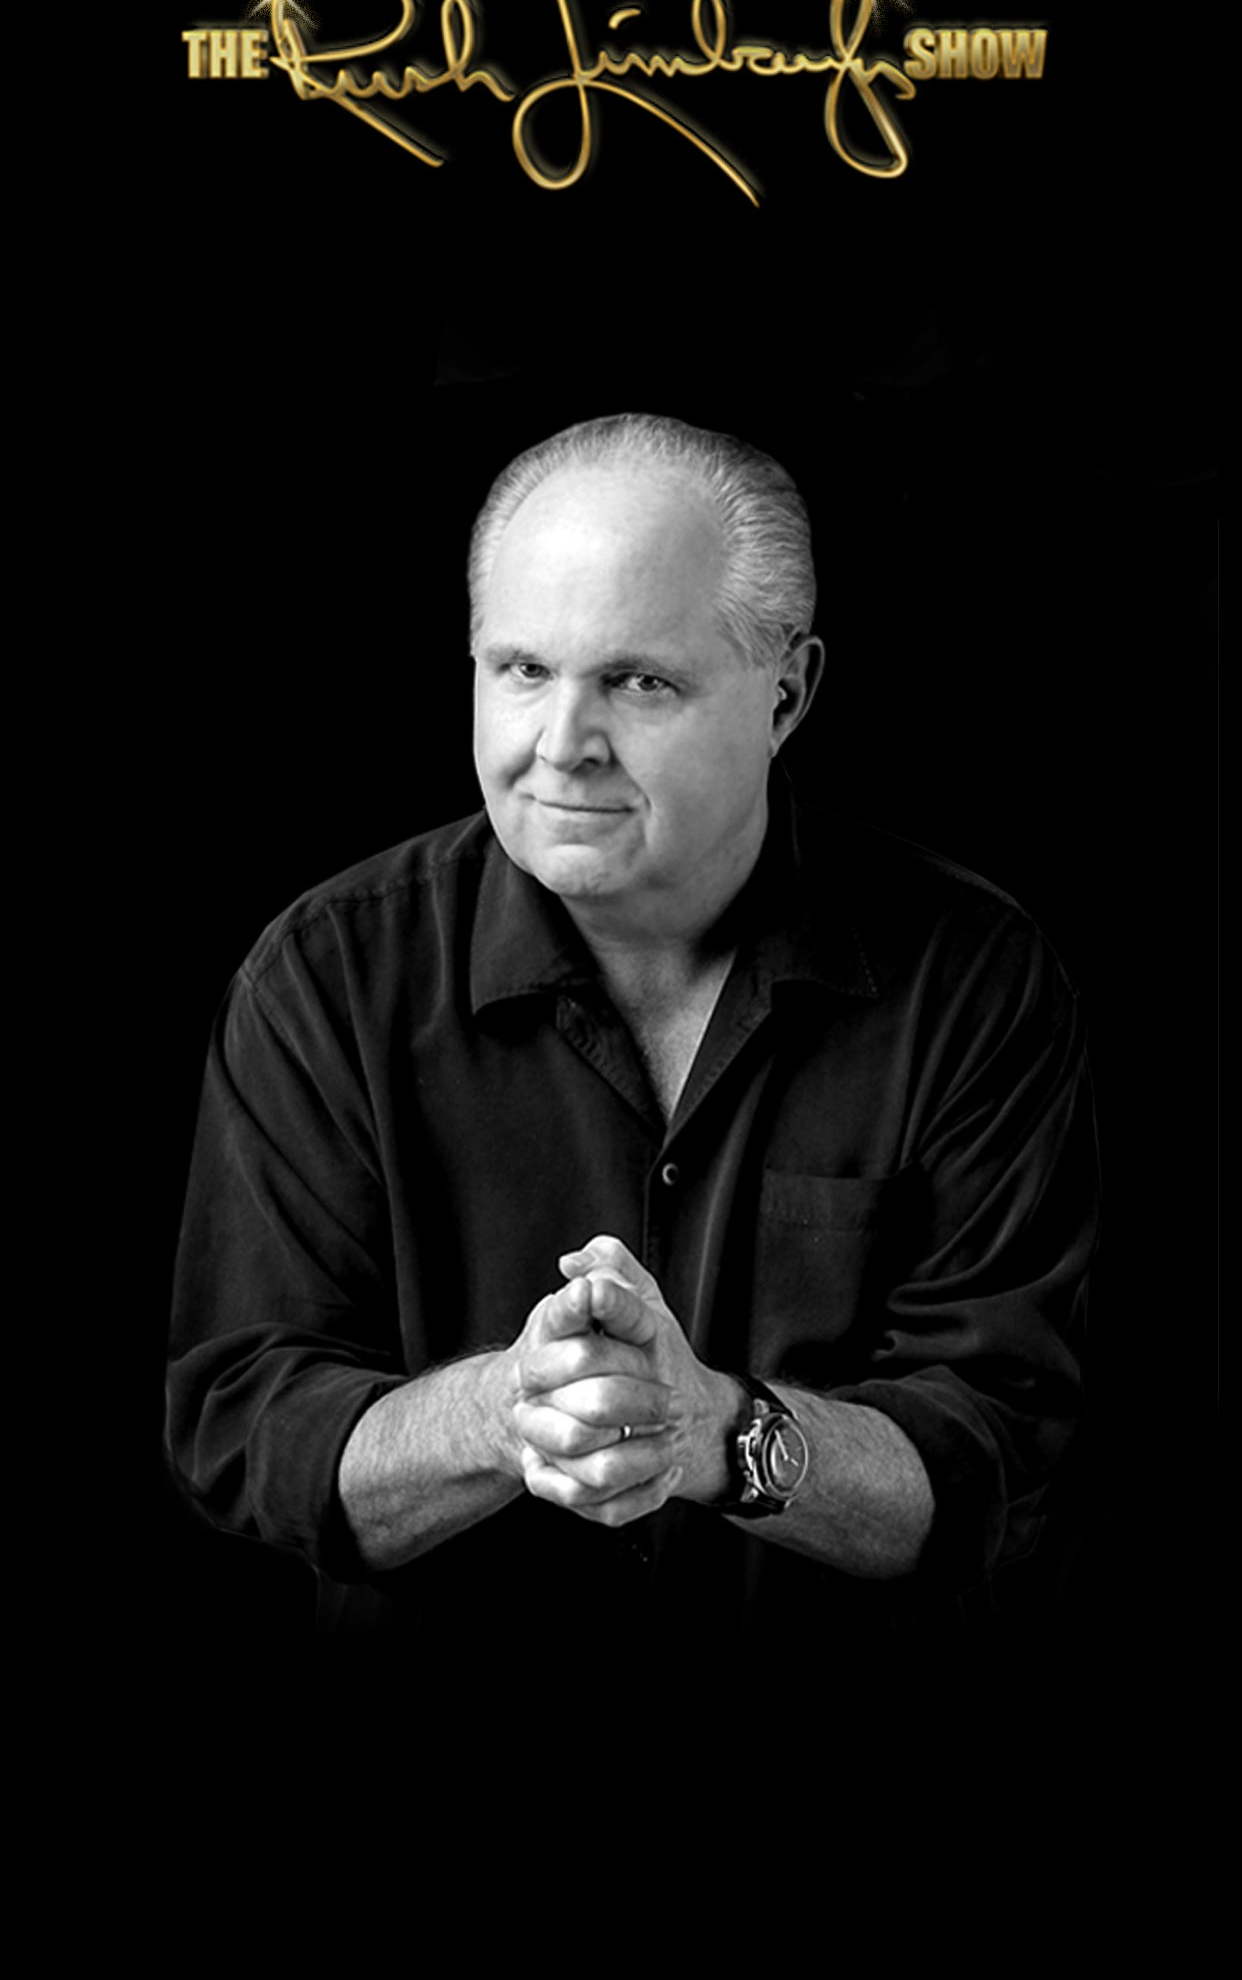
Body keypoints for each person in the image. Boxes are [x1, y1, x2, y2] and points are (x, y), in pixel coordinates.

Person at [168, 412, 1097, 1701]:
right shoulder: (324, 982)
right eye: (522, 669)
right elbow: (245, 1432)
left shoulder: (972, 979)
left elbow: (999, 1457)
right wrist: (506, 1410)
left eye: (639, 682)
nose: (563, 743)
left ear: (787, 694)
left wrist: (716, 1430)